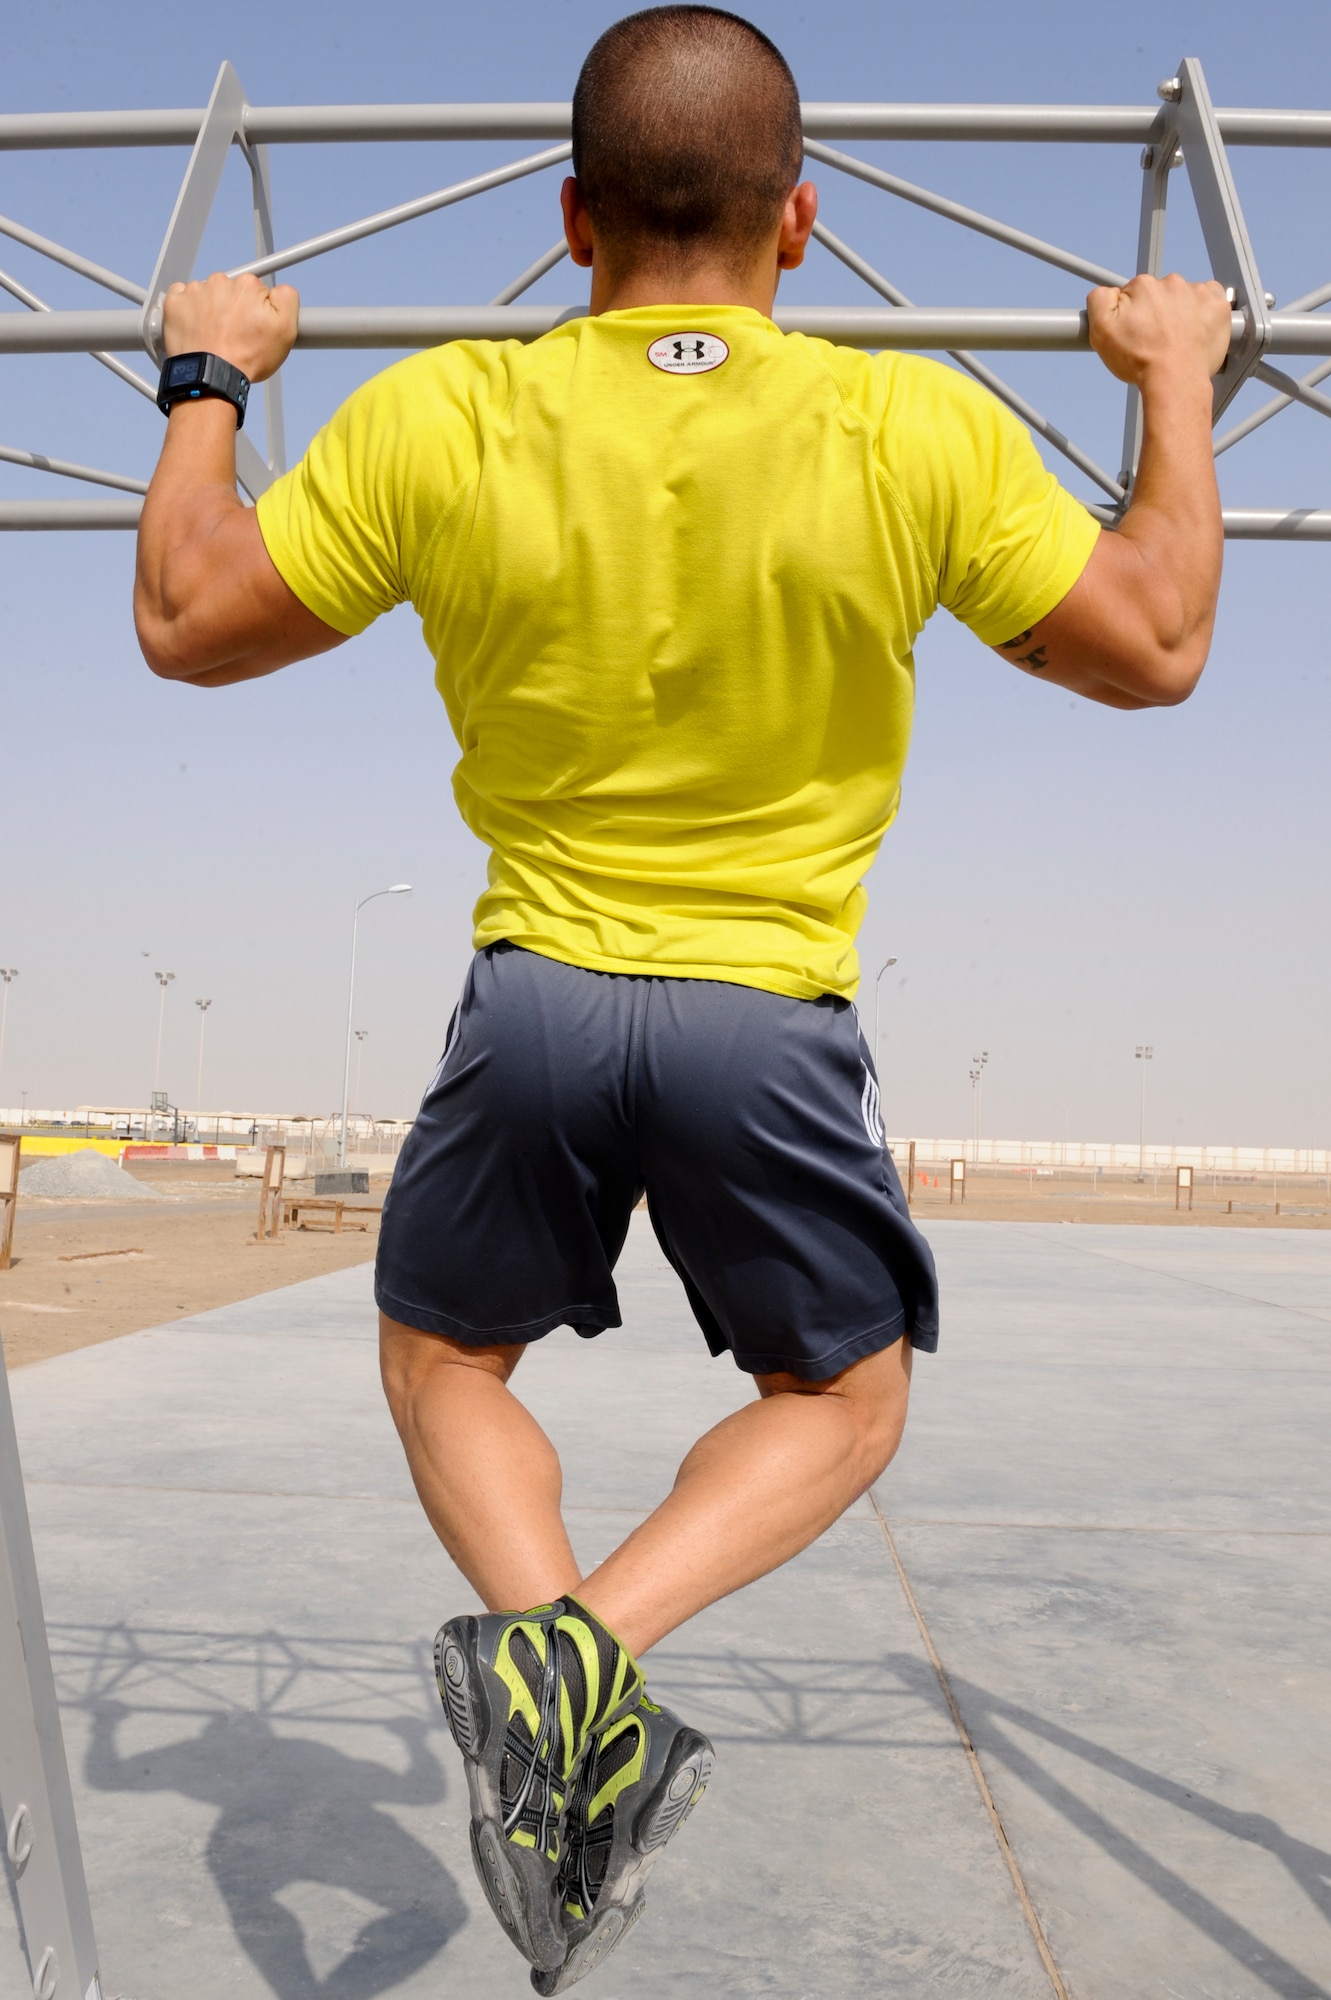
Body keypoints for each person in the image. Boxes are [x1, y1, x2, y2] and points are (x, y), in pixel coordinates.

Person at [134, 7, 1231, 1989]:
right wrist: (1170, 382)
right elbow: (1157, 644)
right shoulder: (910, 425)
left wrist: (211, 376)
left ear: (568, 219)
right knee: (845, 1391)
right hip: (770, 1011)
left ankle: (549, 1667)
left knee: (443, 1363)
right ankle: (586, 1653)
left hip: (538, 995)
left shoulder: (451, 412)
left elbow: (183, 619)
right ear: (801, 222)